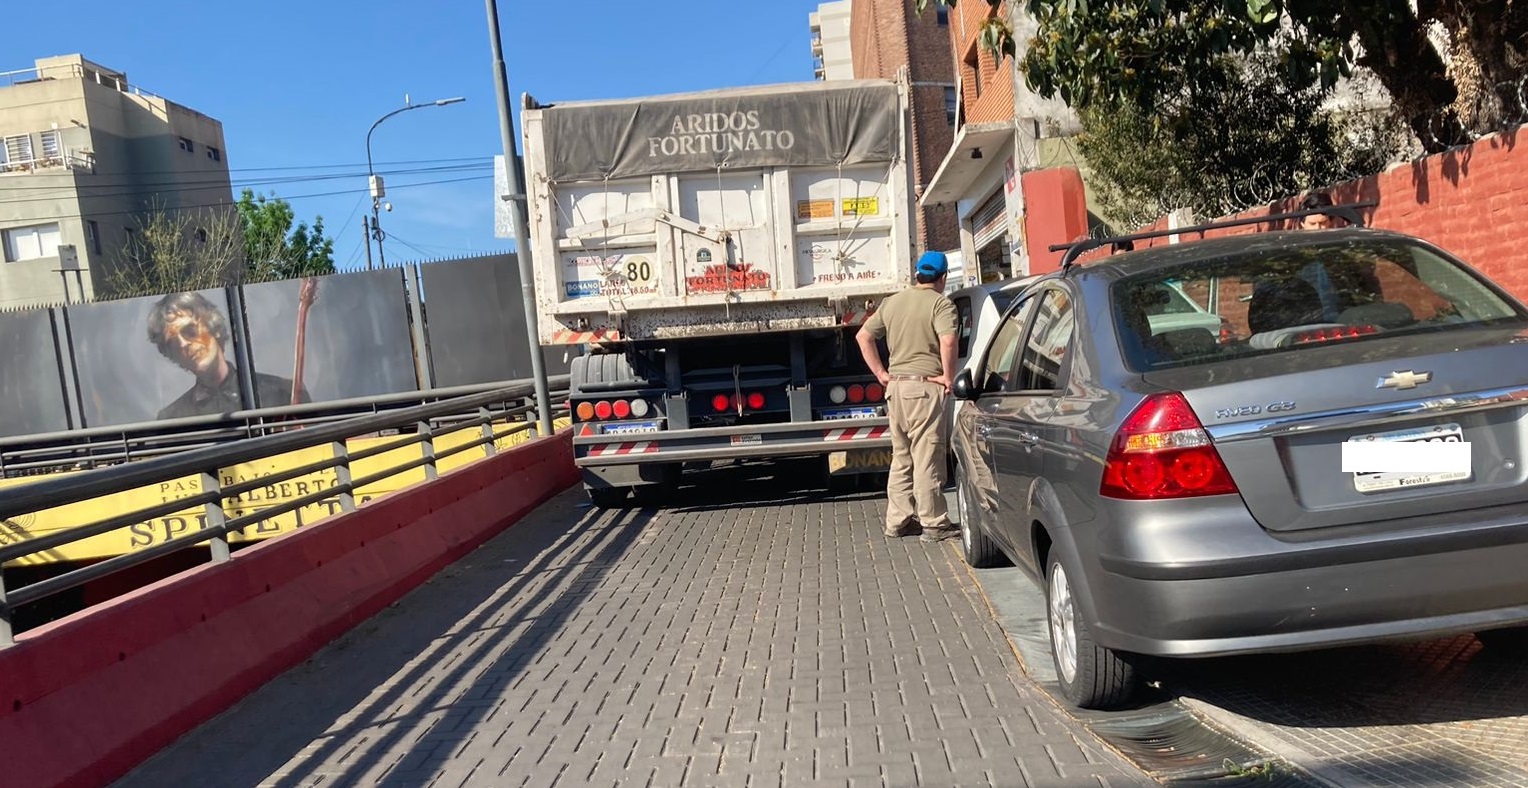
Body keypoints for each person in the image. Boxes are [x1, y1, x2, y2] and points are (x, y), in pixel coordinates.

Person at [856, 250, 960, 542]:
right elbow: (949, 340)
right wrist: (948, 377)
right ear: (943, 278)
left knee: (902, 457)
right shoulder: (941, 305)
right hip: (924, 388)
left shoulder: (893, 302)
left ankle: (898, 522)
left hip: (896, 389)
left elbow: (863, 336)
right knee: (927, 456)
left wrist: (881, 374)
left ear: (917, 274)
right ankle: (934, 524)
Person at [147, 291, 310, 419]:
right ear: (172, 356)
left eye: (190, 331)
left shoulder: (285, 394)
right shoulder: (172, 420)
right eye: (173, 344)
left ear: (214, 328)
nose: (183, 344)